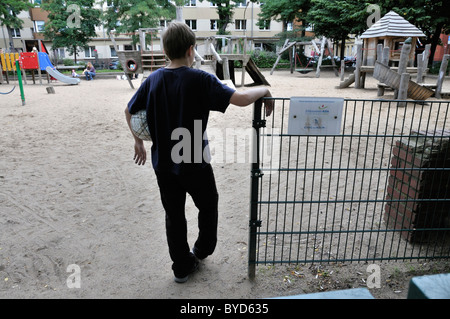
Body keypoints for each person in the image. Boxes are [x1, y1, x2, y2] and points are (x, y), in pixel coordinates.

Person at [125, 22, 273, 283]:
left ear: (165, 50)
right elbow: (239, 98)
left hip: (163, 164)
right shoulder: (201, 78)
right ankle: (202, 249)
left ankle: (181, 267)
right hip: (194, 160)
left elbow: (129, 111)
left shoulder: (153, 80)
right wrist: (264, 89)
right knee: (208, 204)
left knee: (174, 215)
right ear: (191, 50)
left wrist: (138, 141)